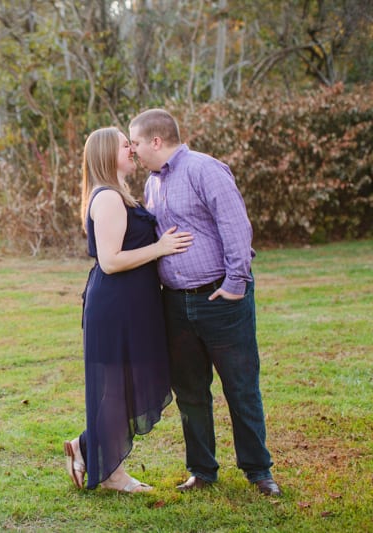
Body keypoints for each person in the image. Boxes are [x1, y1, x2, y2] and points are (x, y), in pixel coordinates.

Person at [128, 109, 282, 496]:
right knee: (191, 391)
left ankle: (258, 471)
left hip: (220, 299)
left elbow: (235, 225)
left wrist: (234, 283)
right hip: (176, 305)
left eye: (136, 143)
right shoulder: (153, 183)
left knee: (241, 386)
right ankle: (202, 471)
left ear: (156, 141)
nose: (133, 150)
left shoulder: (204, 169)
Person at [63, 127, 193, 492]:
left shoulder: (122, 194)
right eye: (125, 145)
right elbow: (110, 261)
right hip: (116, 304)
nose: (132, 150)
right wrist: (161, 248)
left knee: (129, 383)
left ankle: (86, 447)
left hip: (134, 302)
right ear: (108, 154)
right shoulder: (106, 198)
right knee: (118, 387)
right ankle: (111, 473)